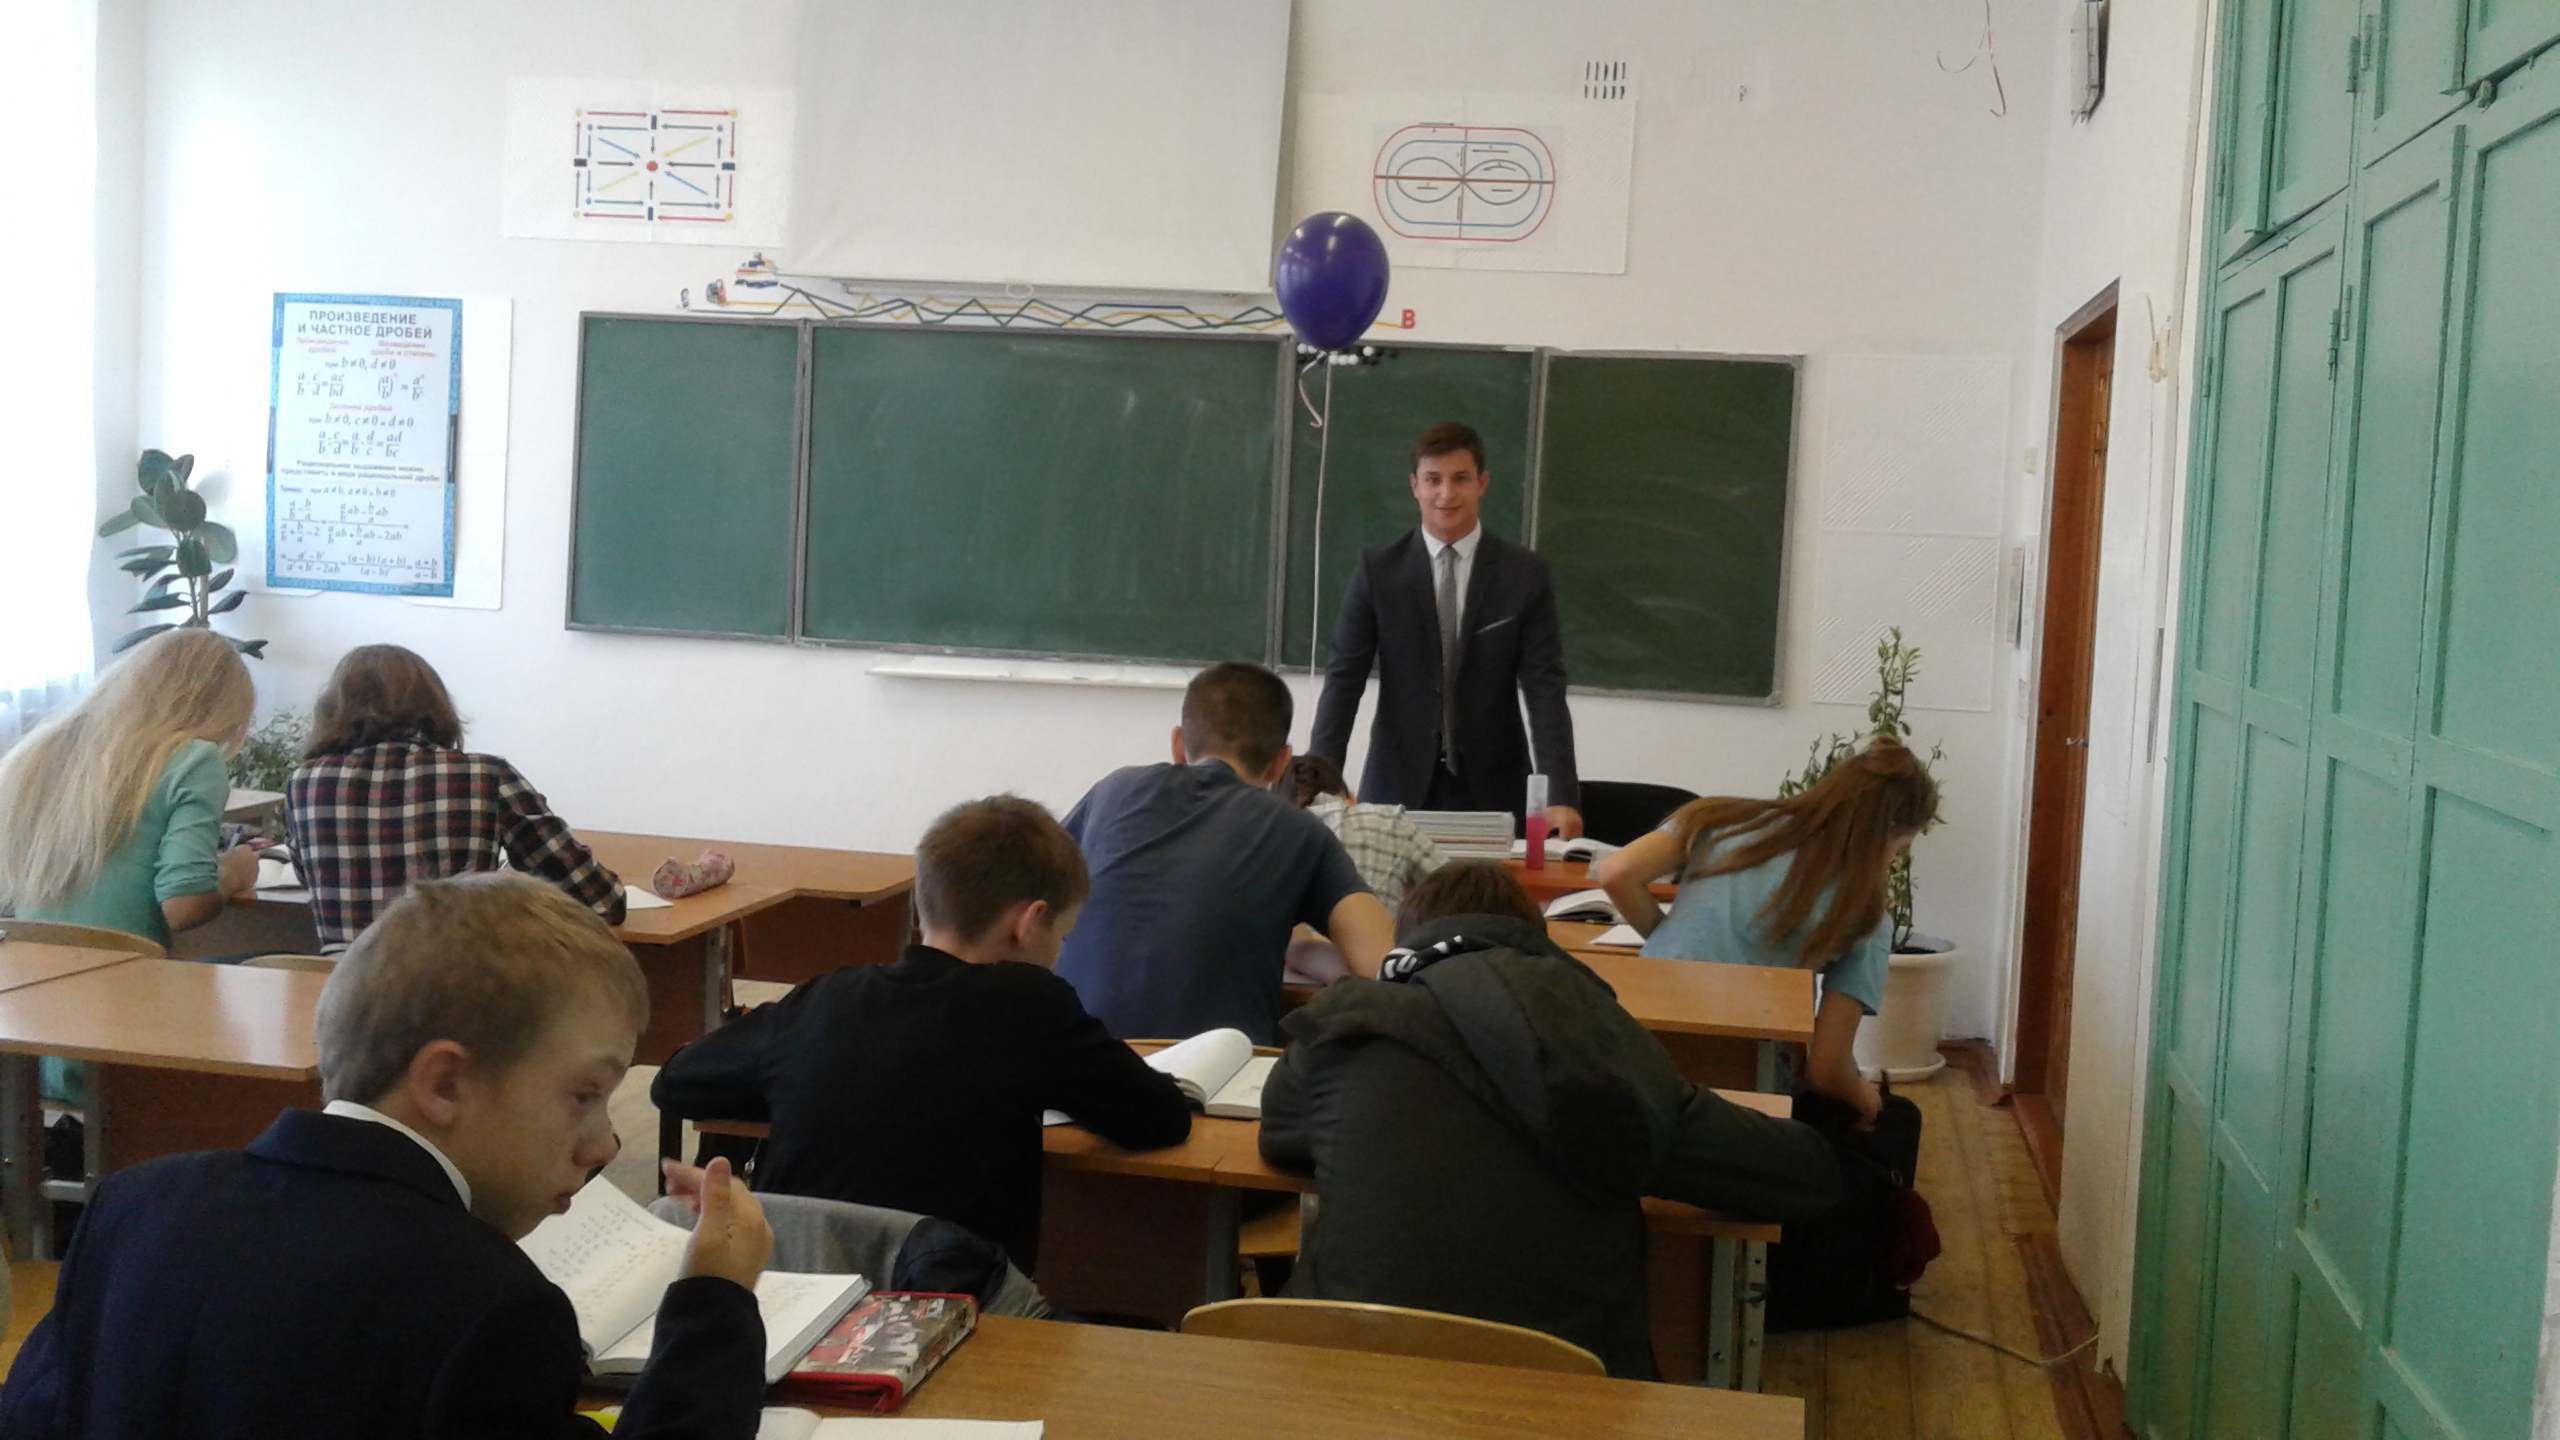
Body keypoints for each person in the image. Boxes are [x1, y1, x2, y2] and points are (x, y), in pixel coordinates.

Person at [0, 872, 774, 1439]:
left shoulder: (134, 1203)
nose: (605, 1144)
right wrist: (715, 1302)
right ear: (444, 1082)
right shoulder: (493, 1306)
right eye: (583, 1095)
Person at [1258, 860, 1838, 1379]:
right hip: (1563, 1395)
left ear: (1405, 944)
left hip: (1355, 1381)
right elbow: (1801, 1175)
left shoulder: (1348, 1022)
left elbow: (1281, 1135)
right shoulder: (1596, 1033)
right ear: (1535, 938)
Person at [651, 795, 1192, 1272]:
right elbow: (1159, 1118)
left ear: (920, 902)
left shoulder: (826, 997)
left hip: (804, 1299)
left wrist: (813, 1086)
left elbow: (676, 1082)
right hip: (959, 1310)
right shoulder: (1033, 1003)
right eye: (1064, 937)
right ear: (1028, 922)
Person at [1596, 738, 1940, 1127]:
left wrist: (1665, 937)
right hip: (1745, 1090)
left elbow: (1617, 872)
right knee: (1893, 1119)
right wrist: (1868, 1100)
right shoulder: (1867, 916)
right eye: (1901, 848)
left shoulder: (1720, 819)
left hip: (1636, 1060)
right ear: (1890, 836)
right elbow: (1827, 1069)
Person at [1055, 662, 1395, 1044]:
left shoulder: (1112, 792)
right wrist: (1305, 949)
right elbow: (1385, 965)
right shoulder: (1300, 832)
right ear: (1281, 764)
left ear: (1178, 744)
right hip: (1213, 1076)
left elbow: (1030, 903)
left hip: (1069, 1063)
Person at [1309, 421, 1581, 837]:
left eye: (1460, 479)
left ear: (1482, 483)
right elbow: (1344, 679)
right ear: (1415, 486)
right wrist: (1318, 785)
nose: (1446, 493)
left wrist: (1560, 795)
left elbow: (1545, 688)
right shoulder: (1379, 572)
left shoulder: (1524, 575)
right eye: (1433, 479)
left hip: (1495, 788)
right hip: (1396, 785)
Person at [289, 644, 625, 952]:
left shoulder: (304, 782)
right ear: (435, 705)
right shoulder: (486, 775)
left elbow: (309, 880)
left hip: (343, 988)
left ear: (332, 709)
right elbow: (597, 899)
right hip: (457, 984)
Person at [0, 627, 260, 949]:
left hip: (30, 966)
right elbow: (183, 906)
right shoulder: (194, 759)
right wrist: (235, 870)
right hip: (126, 968)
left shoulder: (38, 751)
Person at [1272, 754, 1444, 913]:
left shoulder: (1272, 835)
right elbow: (1453, 889)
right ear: (1352, 800)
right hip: (1380, 935)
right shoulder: (1391, 821)